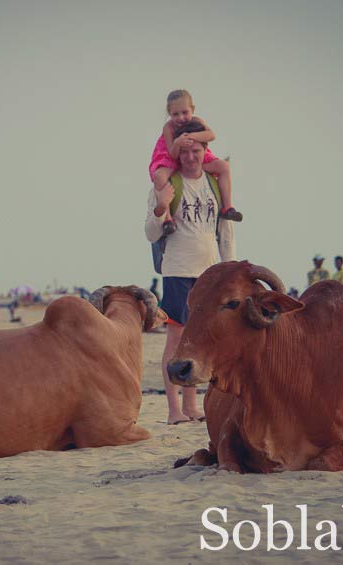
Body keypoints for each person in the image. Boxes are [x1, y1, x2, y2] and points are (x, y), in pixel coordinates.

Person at [145, 119, 235, 425]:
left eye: (195, 150)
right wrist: (161, 208)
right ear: (176, 153)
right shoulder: (167, 184)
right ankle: (174, 411)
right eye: (184, 151)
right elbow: (150, 233)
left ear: (205, 150)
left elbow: (225, 230)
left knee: (201, 341)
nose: (190, 157)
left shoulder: (214, 183)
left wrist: (229, 268)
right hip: (177, 272)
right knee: (176, 340)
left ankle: (193, 407)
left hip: (209, 273)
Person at [149, 89, 241, 236]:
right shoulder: (168, 127)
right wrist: (178, 142)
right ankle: (167, 219)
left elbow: (211, 135)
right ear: (169, 113)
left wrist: (192, 136)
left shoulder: (197, 122)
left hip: (192, 159)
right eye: (175, 114)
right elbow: (172, 153)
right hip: (172, 157)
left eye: (185, 112)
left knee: (223, 166)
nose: (181, 118)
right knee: (159, 176)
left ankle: (227, 208)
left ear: (192, 109)